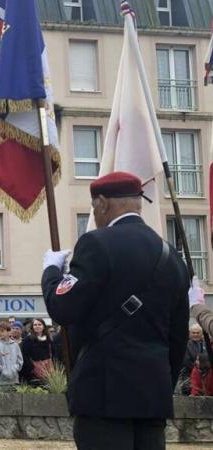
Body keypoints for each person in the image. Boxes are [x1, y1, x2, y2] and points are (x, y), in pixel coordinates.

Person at [42, 171, 189, 450]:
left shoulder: (97, 243)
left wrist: (50, 271)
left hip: (104, 393)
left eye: (94, 207)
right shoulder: (171, 256)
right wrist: (159, 383)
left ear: (102, 203)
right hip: (153, 394)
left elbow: (62, 307)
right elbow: (178, 337)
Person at [19, 318, 55, 384]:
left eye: (39, 324)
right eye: (35, 325)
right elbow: (25, 356)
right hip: (34, 371)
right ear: (32, 327)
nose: (37, 326)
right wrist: (33, 368)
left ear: (43, 326)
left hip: (48, 369)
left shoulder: (49, 339)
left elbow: (53, 353)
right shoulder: (27, 340)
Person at [0, 321, 23, 388]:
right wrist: (3, 371)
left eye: (2, 331)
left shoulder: (15, 345)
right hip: (1, 381)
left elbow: (20, 360)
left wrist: (14, 369)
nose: (0, 333)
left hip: (14, 380)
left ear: (8, 331)